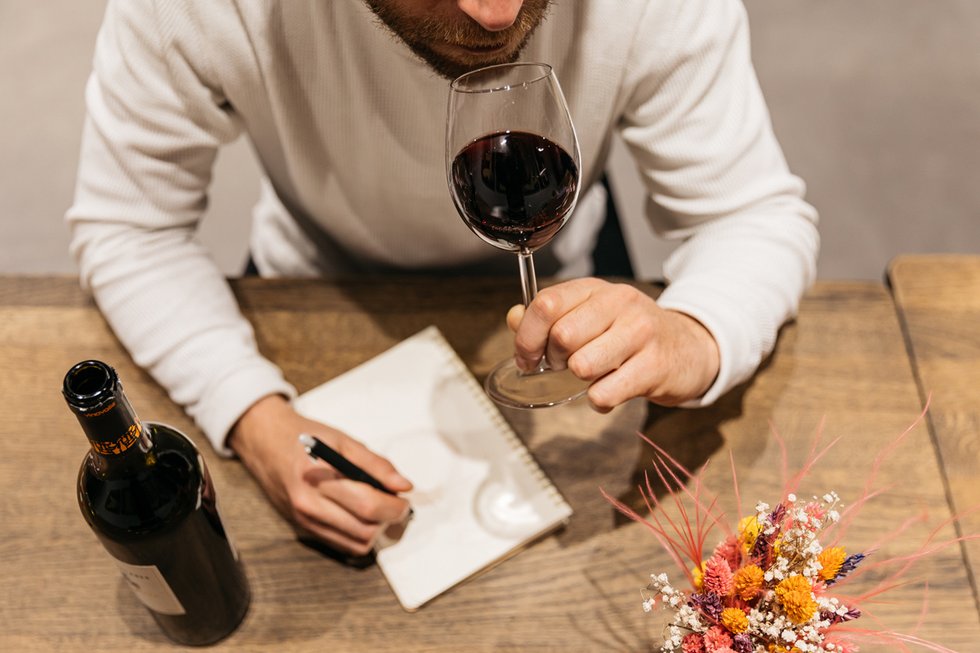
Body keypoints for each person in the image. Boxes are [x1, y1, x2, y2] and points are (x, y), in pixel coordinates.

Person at [66, 0, 819, 557]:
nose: (496, 13)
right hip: (315, 280)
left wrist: (695, 331)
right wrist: (250, 414)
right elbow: (129, 226)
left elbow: (751, 216)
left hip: (573, 269)